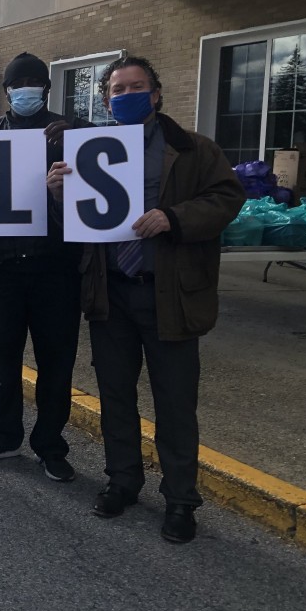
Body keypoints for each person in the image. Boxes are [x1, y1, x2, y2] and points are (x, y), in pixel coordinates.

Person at [47, 55, 243, 543]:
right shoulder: (90, 149)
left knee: (175, 402)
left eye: (136, 87)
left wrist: (173, 218)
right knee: (115, 395)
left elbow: (226, 199)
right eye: (116, 89)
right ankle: (123, 480)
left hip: (169, 294)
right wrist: (57, 192)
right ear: (106, 98)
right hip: (110, 291)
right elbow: (79, 223)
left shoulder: (192, 148)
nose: (126, 95)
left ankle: (180, 499)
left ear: (156, 93)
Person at [0, 52, 91, 482]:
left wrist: (79, 135)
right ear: (5, 91)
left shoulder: (69, 133)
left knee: (56, 363)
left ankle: (50, 445)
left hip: (56, 269)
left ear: (46, 87)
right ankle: (3, 435)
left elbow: (111, 162)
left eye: (34, 80)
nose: (26, 87)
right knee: (2, 358)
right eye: (17, 81)